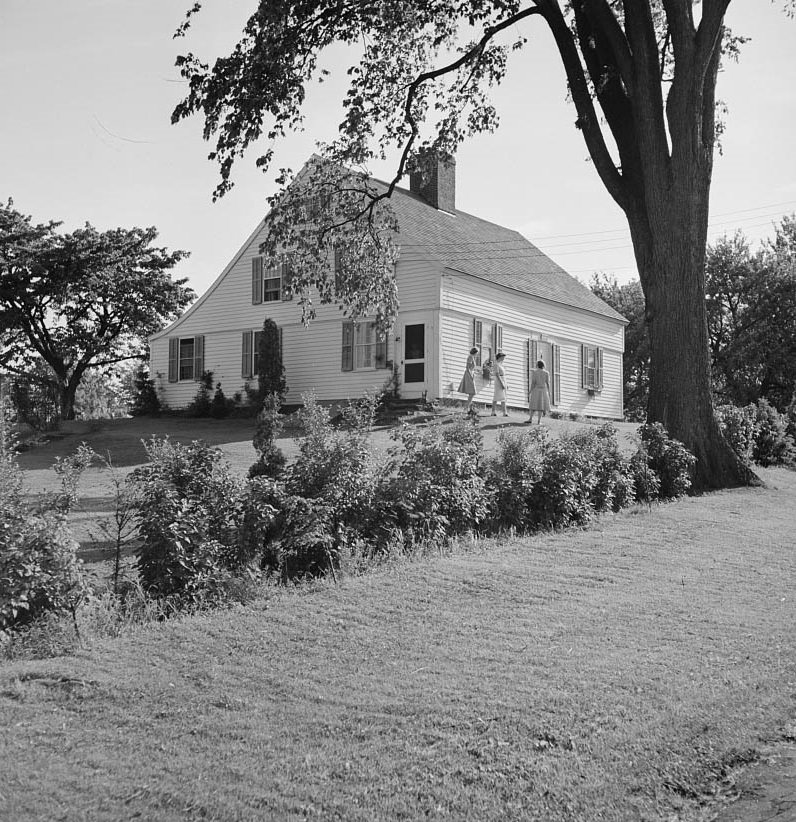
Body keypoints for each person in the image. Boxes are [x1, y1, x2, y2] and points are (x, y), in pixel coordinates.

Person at [528, 359, 551, 424]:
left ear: (537, 365)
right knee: (541, 406)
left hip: (536, 389)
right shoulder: (546, 373)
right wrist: (549, 392)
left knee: (533, 405)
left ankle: (530, 419)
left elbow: (533, 383)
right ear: (543, 365)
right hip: (543, 390)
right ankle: (539, 421)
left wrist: (530, 391)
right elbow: (548, 383)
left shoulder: (535, 372)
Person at [458, 346, 478, 413]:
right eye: (477, 352)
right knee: (472, 392)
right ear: (475, 352)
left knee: (471, 392)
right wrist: (470, 376)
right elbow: (467, 367)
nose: (477, 354)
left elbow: (471, 367)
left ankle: (469, 408)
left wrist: (475, 372)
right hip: (468, 375)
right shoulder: (470, 357)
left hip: (471, 374)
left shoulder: (472, 357)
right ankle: (466, 408)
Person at [491, 351, 509, 417]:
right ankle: (493, 411)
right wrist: (501, 383)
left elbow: (503, 375)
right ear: (500, 357)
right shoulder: (496, 364)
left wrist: (506, 384)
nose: (503, 359)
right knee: (496, 396)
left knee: (503, 397)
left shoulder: (501, 365)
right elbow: (497, 374)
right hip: (498, 381)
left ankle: (505, 412)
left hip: (503, 379)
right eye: (503, 357)